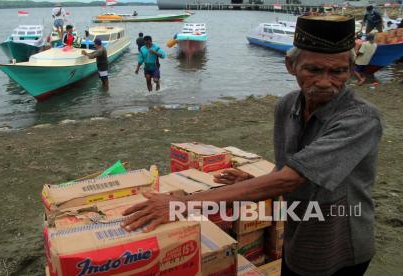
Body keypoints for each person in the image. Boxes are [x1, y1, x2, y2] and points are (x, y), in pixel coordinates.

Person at [122, 15, 382, 276]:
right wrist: (253, 179)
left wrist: (184, 204)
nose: (326, 82)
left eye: (338, 71)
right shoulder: (287, 106)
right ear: (290, 65)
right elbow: (287, 170)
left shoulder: (360, 119)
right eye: (313, 70)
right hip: (296, 233)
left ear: (350, 69)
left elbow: (289, 180)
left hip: (339, 243)